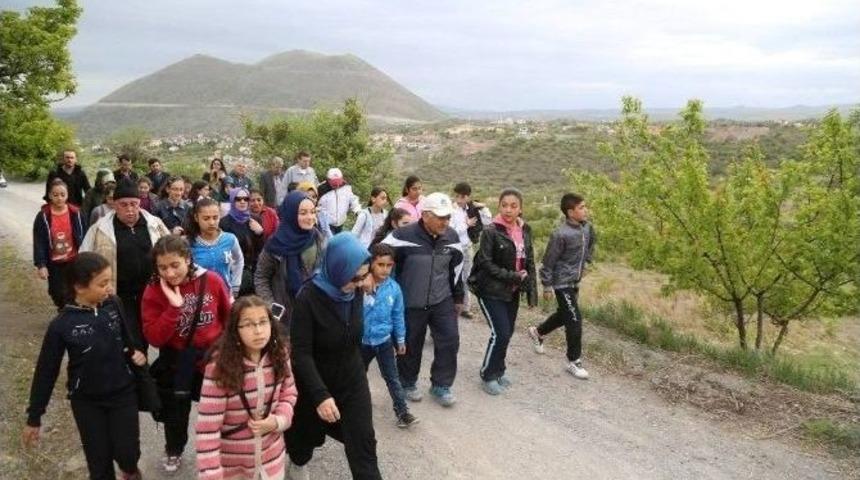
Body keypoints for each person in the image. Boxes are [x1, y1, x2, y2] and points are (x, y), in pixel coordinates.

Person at [24, 252, 145, 480]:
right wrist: (34, 417)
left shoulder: (114, 305)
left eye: (110, 281)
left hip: (123, 394)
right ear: (79, 287)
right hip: (87, 402)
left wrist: (136, 353)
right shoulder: (62, 325)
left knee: (128, 454)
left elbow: (130, 341)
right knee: (99, 466)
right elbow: (45, 372)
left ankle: (130, 471)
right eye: (102, 284)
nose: (109, 288)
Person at [287, 232, 382, 480]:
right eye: (357, 277)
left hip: (351, 378)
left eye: (365, 275)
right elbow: (301, 353)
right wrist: (320, 396)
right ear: (338, 269)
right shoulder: (308, 298)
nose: (362, 283)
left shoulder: (354, 291)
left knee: (363, 442)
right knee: (304, 439)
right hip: (314, 382)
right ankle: (297, 463)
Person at [142, 235, 231, 474]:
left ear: (188, 259)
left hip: (211, 359)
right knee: (175, 411)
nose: (170, 273)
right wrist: (174, 307)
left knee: (221, 410)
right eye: (162, 267)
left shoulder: (212, 280)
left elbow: (229, 317)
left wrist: (224, 349)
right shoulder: (153, 290)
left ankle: (225, 451)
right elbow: (154, 337)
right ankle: (174, 449)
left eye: (175, 265)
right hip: (176, 361)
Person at [196, 296, 298, 480]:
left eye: (263, 322)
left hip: (271, 462)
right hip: (233, 468)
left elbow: (289, 391)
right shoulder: (220, 366)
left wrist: (278, 421)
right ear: (235, 329)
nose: (258, 331)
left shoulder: (280, 354)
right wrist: (211, 474)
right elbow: (208, 428)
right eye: (248, 324)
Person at [382, 192, 464, 407]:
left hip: (442, 299)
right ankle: (407, 382)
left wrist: (458, 297)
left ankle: (441, 385)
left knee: (450, 340)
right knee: (410, 343)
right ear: (426, 215)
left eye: (448, 217)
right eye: (440, 217)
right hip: (410, 301)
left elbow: (456, 270)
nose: (445, 222)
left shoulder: (452, 238)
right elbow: (379, 257)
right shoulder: (402, 236)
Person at [80, 180, 170, 351]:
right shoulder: (100, 229)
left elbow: (173, 250)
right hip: (120, 294)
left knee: (160, 333)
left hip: (152, 291)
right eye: (124, 205)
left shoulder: (154, 224)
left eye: (133, 204)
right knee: (131, 338)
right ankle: (138, 373)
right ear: (114, 204)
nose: (129, 209)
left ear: (139, 203)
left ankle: (160, 373)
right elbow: (83, 260)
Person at [470, 188, 537, 395]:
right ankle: (488, 374)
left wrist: (531, 292)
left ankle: (499, 371)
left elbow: (530, 261)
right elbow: (486, 264)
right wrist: (513, 276)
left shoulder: (525, 229)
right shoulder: (491, 231)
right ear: (499, 206)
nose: (508, 210)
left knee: (507, 333)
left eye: (513, 206)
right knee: (501, 332)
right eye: (504, 205)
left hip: (512, 291)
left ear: (521, 209)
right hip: (490, 289)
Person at [527, 193, 597, 380]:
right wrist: (547, 285)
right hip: (561, 283)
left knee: (565, 314)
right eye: (581, 207)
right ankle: (573, 361)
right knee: (575, 319)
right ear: (570, 212)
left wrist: (586, 263)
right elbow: (548, 261)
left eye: (585, 206)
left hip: (575, 281)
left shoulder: (588, 227)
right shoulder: (560, 234)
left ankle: (538, 332)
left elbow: (591, 244)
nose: (585, 210)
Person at [361, 243, 417, 428]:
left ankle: (403, 412)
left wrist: (400, 339)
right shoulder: (360, 285)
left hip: (383, 340)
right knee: (357, 376)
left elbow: (398, 315)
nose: (384, 270)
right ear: (371, 264)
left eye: (389, 265)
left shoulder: (394, 289)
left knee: (392, 377)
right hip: (361, 342)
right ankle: (354, 407)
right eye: (380, 265)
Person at [254, 191, 325, 332]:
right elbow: (261, 277)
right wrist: (271, 308)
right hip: (285, 316)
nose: (310, 217)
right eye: (303, 213)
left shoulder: (317, 238)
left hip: (313, 311)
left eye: (312, 212)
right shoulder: (276, 244)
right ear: (291, 214)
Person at [33, 179, 87, 309]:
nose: (59, 198)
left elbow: (85, 236)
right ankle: (63, 309)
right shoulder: (43, 216)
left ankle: (71, 313)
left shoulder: (76, 213)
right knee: (56, 292)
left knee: (75, 290)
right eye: (55, 195)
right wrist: (41, 265)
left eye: (63, 194)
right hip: (54, 263)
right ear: (50, 195)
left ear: (67, 195)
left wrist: (86, 257)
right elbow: (39, 241)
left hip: (74, 260)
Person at [186, 198, 244, 298]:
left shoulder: (230, 239)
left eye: (215, 217)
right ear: (196, 218)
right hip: (199, 297)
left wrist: (235, 285)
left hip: (225, 294)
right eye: (206, 218)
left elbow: (239, 260)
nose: (212, 222)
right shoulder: (189, 243)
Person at [451, 182, 493, 319]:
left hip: (467, 247)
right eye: (457, 195)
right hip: (454, 247)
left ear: (467, 197)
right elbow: (452, 231)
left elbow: (487, 221)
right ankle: (451, 304)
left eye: (462, 196)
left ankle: (465, 307)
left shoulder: (472, 209)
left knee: (467, 276)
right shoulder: (452, 210)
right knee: (453, 276)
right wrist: (466, 224)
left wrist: (483, 208)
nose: (459, 199)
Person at [219, 188, 264, 295]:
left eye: (246, 199)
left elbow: (261, 248)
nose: (243, 202)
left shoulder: (255, 219)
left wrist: (260, 233)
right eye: (238, 199)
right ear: (232, 201)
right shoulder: (224, 223)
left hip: (254, 271)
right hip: (235, 273)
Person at [317, 168, 361, 235]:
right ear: (328, 180)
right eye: (334, 184)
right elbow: (317, 207)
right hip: (327, 225)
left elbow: (353, 199)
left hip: (340, 223)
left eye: (339, 184)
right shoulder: (321, 190)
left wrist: (358, 211)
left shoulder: (346, 187)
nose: (337, 186)